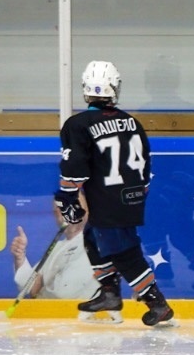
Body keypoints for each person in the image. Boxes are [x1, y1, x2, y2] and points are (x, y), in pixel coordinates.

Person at [58, 60, 174, 327]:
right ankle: (109, 293)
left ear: (86, 89)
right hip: (130, 196)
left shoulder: (77, 124)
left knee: (125, 253)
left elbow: (74, 166)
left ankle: (157, 303)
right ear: (114, 88)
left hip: (108, 199)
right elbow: (145, 163)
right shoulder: (132, 122)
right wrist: (136, 194)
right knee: (92, 238)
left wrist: (67, 198)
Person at [7, 223, 102, 306]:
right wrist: (20, 257)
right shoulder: (56, 247)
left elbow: (65, 293)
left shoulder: (96, 242)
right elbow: (32, 287)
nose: (64, 215)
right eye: (58, 211)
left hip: (81, 314)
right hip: (51, 316)